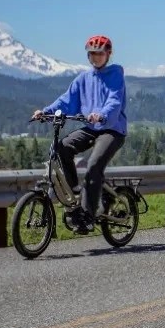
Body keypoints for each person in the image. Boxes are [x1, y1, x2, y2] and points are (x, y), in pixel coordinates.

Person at [33, 35, 127, 233]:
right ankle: (75, 189)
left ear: (108, 54)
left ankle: (88, 216)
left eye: (99, 53)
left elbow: (114, 101)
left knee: (93, 166)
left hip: (111, 128)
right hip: (91, 128)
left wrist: (101, 115)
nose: (95, 57)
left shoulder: (116, 74)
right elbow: (66, 101)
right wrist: (46, 112)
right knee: (62, 147)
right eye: (92, 54)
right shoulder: (83, 79)